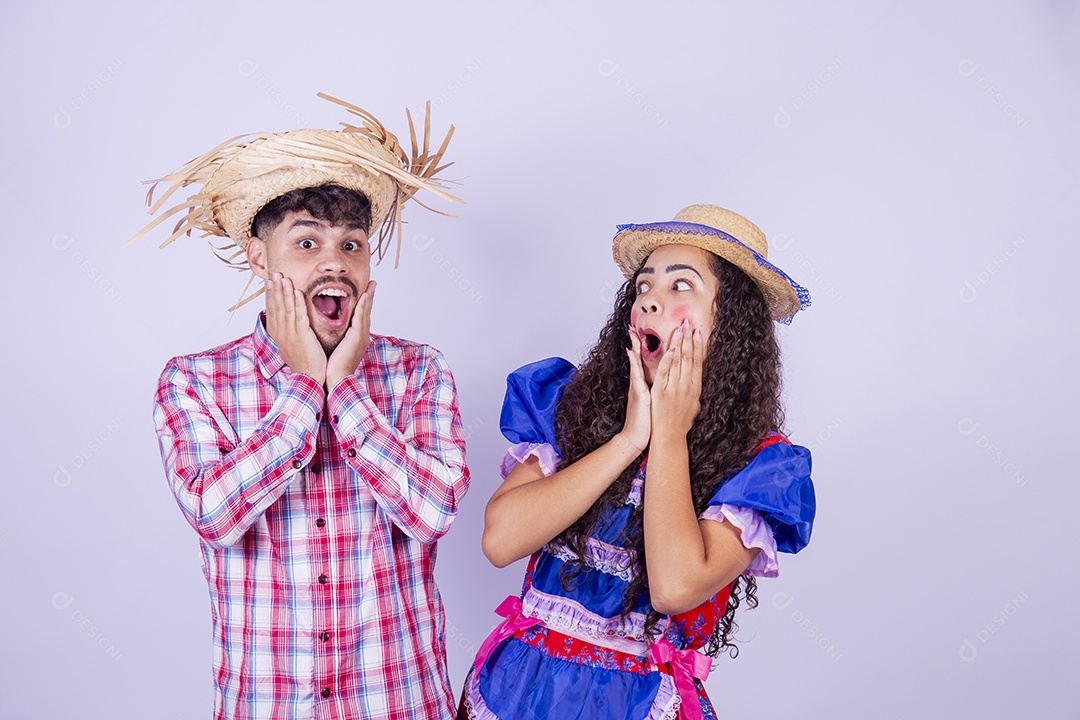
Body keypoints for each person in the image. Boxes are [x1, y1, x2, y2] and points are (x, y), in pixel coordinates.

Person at [133, 95, 471, 720]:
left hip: (398, 702)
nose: (334, 265)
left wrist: (343, 391)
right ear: (260, 257)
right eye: (307, 243)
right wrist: (303, 392)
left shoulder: (421, 370)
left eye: (351, 246)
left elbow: (433, 512)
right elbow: (214, 514)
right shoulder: (194, 381)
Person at [459, 205, 816, 720]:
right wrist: (629, 439)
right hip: (517, 689)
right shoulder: (572, 408)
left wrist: (669, 434)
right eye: (644, 286)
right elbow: (500, 541)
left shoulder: (761, 468)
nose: (649, 299)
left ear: (730, 325)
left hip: (639, 704)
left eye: (680, 287)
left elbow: (674, 588)